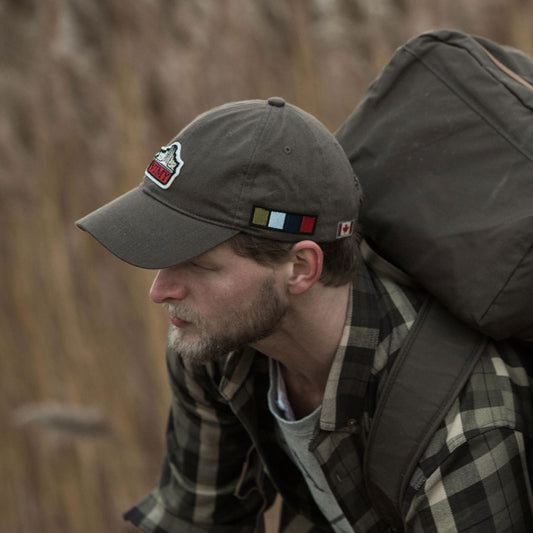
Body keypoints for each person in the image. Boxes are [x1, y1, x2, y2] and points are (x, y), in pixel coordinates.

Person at [76, 97, 533, 532]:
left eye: (198, 264)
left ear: (300, 268)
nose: (160, 292)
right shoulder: (215, 342)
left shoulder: (460, 430)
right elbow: (197, 520)